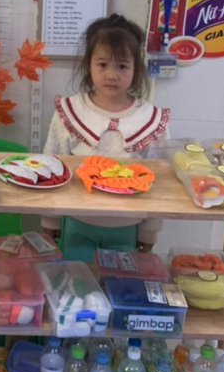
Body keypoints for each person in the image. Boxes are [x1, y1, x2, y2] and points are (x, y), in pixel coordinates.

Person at [42, 14, 169, 260]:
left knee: (121, 280)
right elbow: (52, 165)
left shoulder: (151, 119)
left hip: (127, 225)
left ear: (136, 68)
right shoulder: (70, 112)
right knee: (75, 279)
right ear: (89, 64)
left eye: (122, 66)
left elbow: (160, 180)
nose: (112, 75)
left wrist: (150, 231)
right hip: (78, 221)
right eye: (102, 65)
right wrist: (50, 219)